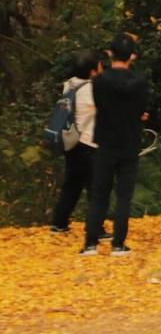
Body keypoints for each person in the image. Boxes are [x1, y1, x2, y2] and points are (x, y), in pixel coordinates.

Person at [80, 34, 149, 256]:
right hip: (129, 142)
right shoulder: (140, 82)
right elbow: (141, 110)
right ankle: (118, 244)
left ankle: (90, 243)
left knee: (99, 193)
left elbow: (100, 104)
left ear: (110, 54)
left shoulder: (99, 81)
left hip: (105, 142)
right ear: (132, 56)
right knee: (124, 196)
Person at [50, 50, 112, 240]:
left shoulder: (70, 85)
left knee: (72, 184)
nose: (102, 68)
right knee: (97, 188)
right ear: (93, 71)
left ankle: (59, 222)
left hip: (72, 142)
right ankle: (96, 229)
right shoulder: (91, 89)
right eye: (100, 66)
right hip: (88, 144)